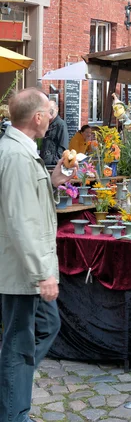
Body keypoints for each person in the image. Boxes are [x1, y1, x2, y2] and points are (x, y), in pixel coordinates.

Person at [0, 88, 76, 421]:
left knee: (44, 327)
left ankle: (10, 391)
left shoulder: (22, 151)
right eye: (49, 110)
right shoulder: (15, 155)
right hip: (21, 271)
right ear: (38, 118)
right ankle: (13, 411)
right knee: (19, 343)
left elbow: (28, 201)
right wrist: (41, 273)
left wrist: (55, 178)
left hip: (24, 269)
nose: (53, 115)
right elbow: (20, 221)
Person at [39, 100, 69, 166]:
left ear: (57, 109)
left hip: (53, 165)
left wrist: (55, 162)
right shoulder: (47, 123)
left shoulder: (61, 124)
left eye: (51, 110)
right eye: (47, 110)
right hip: (45, 163)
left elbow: (63, 146)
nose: (50, 113)